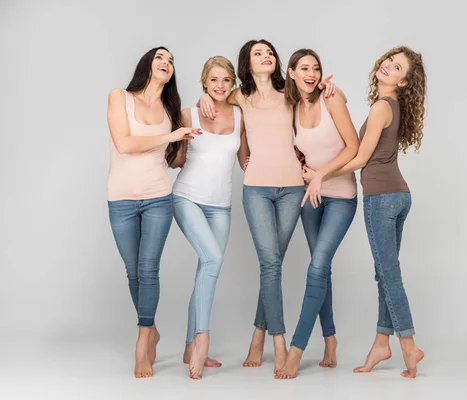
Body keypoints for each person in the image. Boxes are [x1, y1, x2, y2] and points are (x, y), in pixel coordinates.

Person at [198, 39, 335, 373]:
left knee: (273, 262)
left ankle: (258, 334)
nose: (267, 56)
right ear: (248, 61)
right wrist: (203, 95)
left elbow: (315, 90)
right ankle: (278, 338)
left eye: (270, 52)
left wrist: (329, 86)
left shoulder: (290, 91)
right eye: (259, 53)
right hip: (256, 189)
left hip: (292, 189)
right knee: (270, 263)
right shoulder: (239, 96)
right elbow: (215, 93)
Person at [304, 45, 427, 378]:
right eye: (389, 60)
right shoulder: (392, 105)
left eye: (397, 67)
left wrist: (319, 174)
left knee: (389, 274)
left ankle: (408, 343)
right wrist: (337, 93)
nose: (388, 66)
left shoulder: (380, 108)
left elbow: (358, 159)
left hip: (382, 198)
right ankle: (380, 343)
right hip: (398, 195)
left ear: (403, 82)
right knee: (384, 273)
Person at [106, 46, 199, 378]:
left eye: (172, 60)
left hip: (159, 196)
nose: (167, 63)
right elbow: (125, 144)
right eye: (161, 57)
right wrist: (172, 134)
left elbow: (173, 161)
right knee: (132, 271)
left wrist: (186, 139)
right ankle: (153, 328)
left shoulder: (169, 110)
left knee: (148, 269)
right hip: (121, 198)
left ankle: (143, 340)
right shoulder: (121, 97)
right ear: (147, 63)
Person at [275, 49, 359, 379]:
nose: (311, 73)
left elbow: (353, 147)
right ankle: (330, 340)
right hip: (311, 197)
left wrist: (321, 174)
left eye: (316, 68)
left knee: (317, 266)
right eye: (304, 68)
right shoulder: (292, 107)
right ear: (292, 73)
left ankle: (296, 350)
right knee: (320, 270)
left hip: (341, 196)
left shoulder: (331, 99)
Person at [168, 56, 248, 379]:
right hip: (187, 198)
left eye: (226, 80)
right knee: (213, 259)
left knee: (207, 266)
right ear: (205, 82)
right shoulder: (189, 112)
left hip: (221, 205)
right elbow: (175, 161)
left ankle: (189, 344)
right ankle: (202, 339)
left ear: (232, 84)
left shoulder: (240, 116)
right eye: (213, 80)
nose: (219, 85)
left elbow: (246, 161)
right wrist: (180, 139)